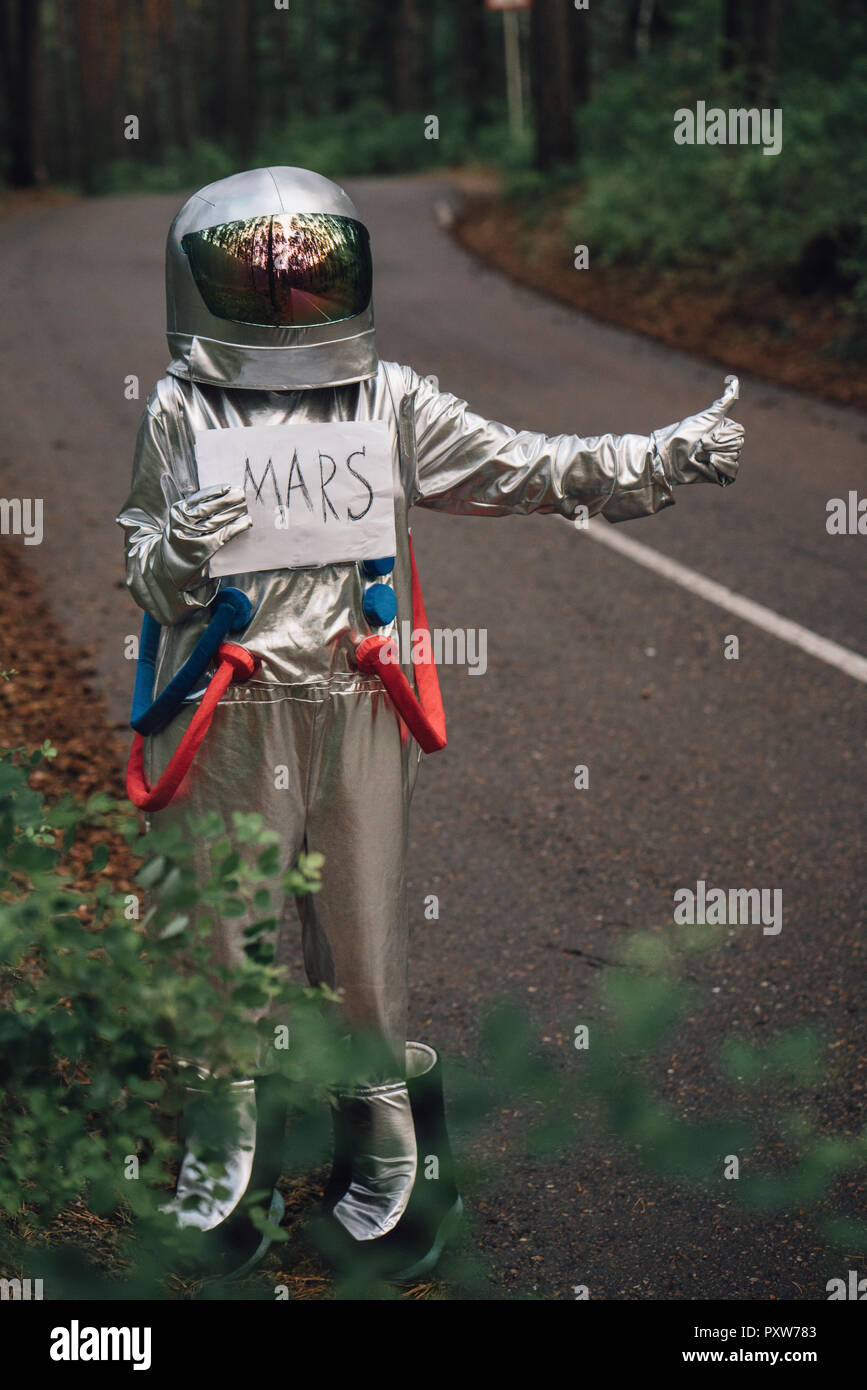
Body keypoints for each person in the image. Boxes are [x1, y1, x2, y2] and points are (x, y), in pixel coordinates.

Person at [117, 166, 744, 1283]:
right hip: (226, 702)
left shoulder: (387, 399)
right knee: (226, 937)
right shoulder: (181, 406)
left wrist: (665, 457)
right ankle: (224, 1158)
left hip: (360, 699)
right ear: (202, 284)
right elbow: (145, 572)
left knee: (360, 941)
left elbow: (525, 465)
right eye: (257, 280)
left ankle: (392, 1162)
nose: (283, 301)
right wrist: (180, 550)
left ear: (347, 275)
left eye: (307, 276)